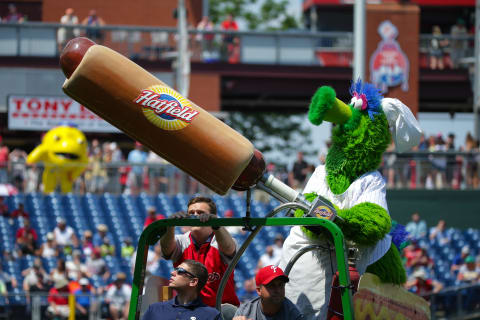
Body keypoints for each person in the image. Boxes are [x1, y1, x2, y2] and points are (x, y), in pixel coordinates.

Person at [160, 196, 240, 307]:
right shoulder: (181, 241)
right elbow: (166, 250)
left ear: (213, 216)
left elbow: (229, 248)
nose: (196, 216)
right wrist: (170, 226)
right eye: (191, 213)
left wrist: (216, 224)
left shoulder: (221, 240)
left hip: (221, 312)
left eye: (201, 212)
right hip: (189, 310)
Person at [142, 260, 220, 320]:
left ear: (193, 281)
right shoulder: (154, 309)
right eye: (175, 269)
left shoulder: (212, 316)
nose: (172, 273)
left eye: (180, 271)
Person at [233, 265, 303, 320]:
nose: (278, 290)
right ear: (258, 290)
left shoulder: (293, 313)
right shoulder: (244, 312)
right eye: (272, 286)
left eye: (281, 285)